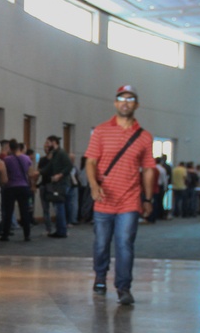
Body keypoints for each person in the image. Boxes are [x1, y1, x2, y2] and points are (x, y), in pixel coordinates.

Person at [85, 84, 157, 306]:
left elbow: (148, 169)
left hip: (130, 199)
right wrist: (93, 185)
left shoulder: (144, 137)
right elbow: (91, 161)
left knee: (125, 243)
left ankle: (124, 287)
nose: (125, 102)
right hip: (104, 198)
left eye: (130, 99)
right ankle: (100, 276)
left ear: (136, 104)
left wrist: (147, 198)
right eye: (121, 98)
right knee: (101, 244)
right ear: (115, 103)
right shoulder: (101, 130)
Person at [40, 135, 73, 238]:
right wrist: (39, 172)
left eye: (48, 142)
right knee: (59, 206)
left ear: (54, 142)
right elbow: (49, 167)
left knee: (59, 206)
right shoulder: (56, 154)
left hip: (61, 183)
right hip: (58, 184)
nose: (46, 145)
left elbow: (69, 166)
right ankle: (60, 229)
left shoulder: (61, 153)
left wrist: (60, 175)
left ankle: (61, 231)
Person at [0, 139, 33, 242]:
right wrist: (32, 185)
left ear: (10, 148)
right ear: (19, 147)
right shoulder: (26, 158)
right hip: (23, 186)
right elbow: (30, 174)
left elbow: (5, 174)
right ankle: (27, 235)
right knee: (24, 211)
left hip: (10, 187)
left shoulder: (7, 160)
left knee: (8, 211)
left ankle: (5, 234)